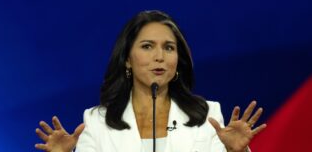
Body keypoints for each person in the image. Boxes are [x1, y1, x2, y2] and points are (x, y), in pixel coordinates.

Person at [35, 10, 266, 152]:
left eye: (169, 48)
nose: (159, 56)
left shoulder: (206, 115)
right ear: (127, 59)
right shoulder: (97, 121)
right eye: (147, 47)